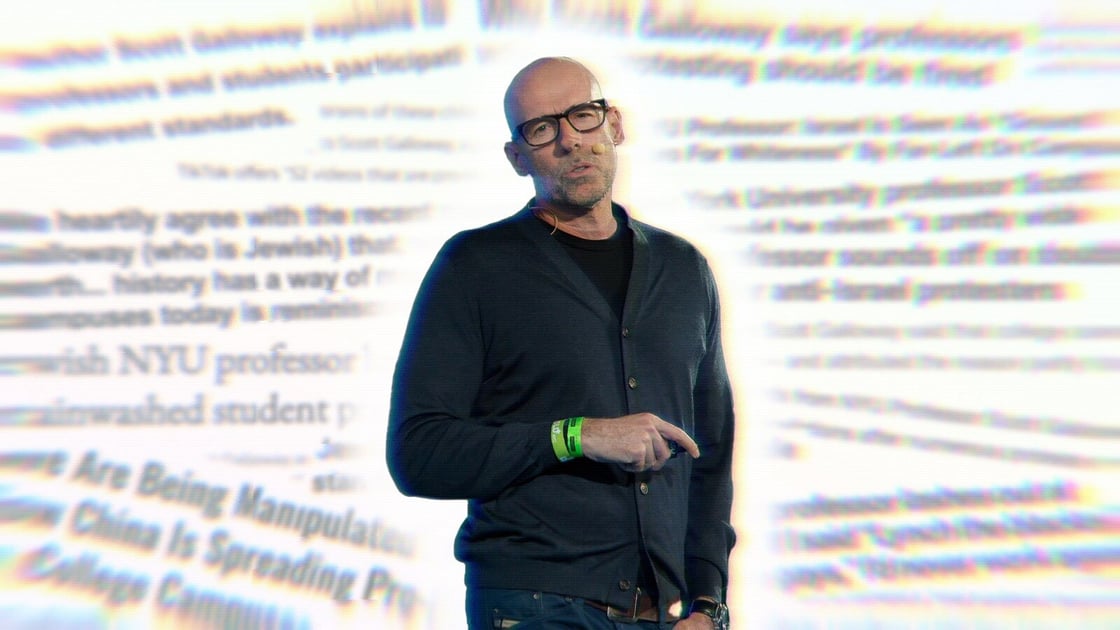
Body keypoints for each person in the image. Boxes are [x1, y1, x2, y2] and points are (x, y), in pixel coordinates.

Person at [387, 57, 735, 629]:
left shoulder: (684, 268)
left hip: (667, 613)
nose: (570, 141)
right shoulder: (475, 267)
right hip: (536, 603)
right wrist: (576, 436)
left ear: (614, 125)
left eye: (583, 115)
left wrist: (707, 601)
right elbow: (418, 455)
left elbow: (712, 456)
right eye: (542, 128)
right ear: (517, 157)